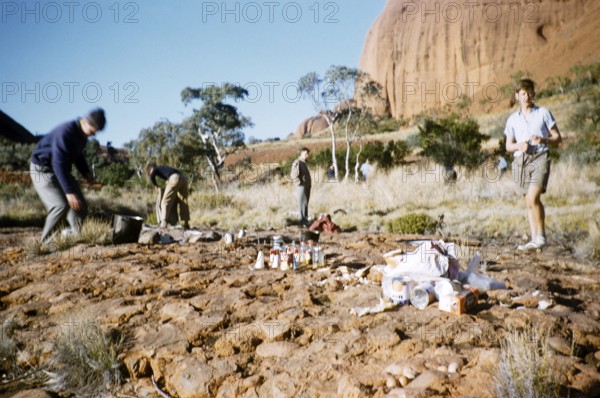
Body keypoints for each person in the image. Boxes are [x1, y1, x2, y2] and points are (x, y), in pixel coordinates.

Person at [30, 108, 106, 243]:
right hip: (42, 170)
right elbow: (58, 164)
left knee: (79, 204)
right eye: (93, 130)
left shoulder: (82, 136)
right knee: (60, 205)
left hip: (59, 170)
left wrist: (86, 173)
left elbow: (78, 156)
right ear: (86, 122)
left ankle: (75, 235)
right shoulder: (66, 132)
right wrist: (69, 192)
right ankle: (46, 244)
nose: (93, 134)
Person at [504, 78, 562, 251]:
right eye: (523, 93)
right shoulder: (512, 119)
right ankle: (534, 239)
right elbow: (508, 146)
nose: (527, 96)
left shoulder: (543, 112)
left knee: (533, 197)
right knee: (528, 201)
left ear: (533, 94)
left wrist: (543, 139)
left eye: (529, 93)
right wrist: (519, 146)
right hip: (520, 161)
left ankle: (541, 236)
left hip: (540, 156)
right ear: (517, 96)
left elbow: (557, 138)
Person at [146, 163, 191, 229]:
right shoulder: (164, 168)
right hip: (183, 178)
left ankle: (163, 222)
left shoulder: (155, 168)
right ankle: (186, 223)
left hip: (174, 178)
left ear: (150, 168)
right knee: (183, 201)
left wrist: (156, 186)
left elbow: (152, 175)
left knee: (165, 201)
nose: (150, 173)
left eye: (149, 172)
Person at [290, 147, 312, 227]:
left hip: (306, 186)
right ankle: (302, 221)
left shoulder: (304, 162)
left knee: (305, 203)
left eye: (307, 154)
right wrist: (299, 184)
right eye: (305, 154)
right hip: (301, 186)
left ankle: (305, 220)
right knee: (302, 204)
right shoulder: (297, 162)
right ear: (301, 153)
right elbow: (293, 175)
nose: (307, 155)